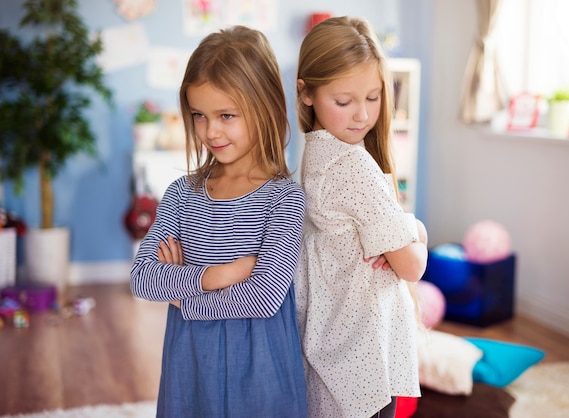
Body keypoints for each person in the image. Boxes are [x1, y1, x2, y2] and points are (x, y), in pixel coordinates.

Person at [130, 25, 307, 418]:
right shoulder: (181, 193)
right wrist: (219, 275)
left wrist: (181, 295)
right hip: (190, 366)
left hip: (261, 374)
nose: (211, 131)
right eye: (199, 116)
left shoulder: (284, 198)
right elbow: (142, 276)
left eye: (227, 115)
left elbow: (264, 297)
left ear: (266, 108)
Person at [294, 16, 429, 418]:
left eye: (373, 97)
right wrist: (417, 229)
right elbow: (411, 267)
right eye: (344, 101)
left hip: (333, 342)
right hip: (364, 351)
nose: (362, 115)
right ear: (306, 93)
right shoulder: (354, 164)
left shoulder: (315, 152)